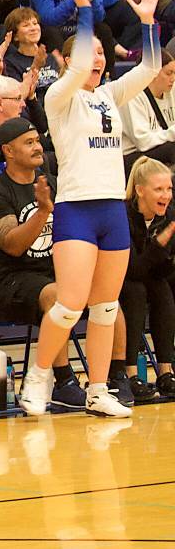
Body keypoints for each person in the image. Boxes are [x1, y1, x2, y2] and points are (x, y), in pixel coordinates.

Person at [18, 0, 161, 419]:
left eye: (102, 52)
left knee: (105, 306)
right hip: (76, 210)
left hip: (111, 210)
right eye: (90, 51)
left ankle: (98, 390)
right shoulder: (59, 96)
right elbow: (78, 67)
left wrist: (148, 24)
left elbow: (151, 69)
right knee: (69, 303)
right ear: (70, 59)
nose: (97, 59)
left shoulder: (108, 96)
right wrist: (83, 11)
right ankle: (38, 377)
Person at [0, 117, 87, 410]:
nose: (38, 147)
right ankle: (63, 381)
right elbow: (13, 244)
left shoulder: (55, 184)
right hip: (12, 279)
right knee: (58, 296)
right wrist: (42, 211)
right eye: (29, 142)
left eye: (38, 140)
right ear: (8, 151)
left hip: (52, 270)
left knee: (108, 294)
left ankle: (115, 378)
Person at [121, 157, 175, 399]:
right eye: (159, 189)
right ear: (140, 191)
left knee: (162, 289)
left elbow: (161, 270)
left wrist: (166, 252)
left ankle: (166, 371)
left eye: (169, 188)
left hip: (149, 274)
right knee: (135, 291)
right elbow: (132, 270)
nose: (166, 195)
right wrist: (160, 243)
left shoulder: (169, 215)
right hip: (119, 277)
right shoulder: (123, 214)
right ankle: (129, 373)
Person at [119, 49, 175, 171]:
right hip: (132, 156)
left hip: (161, 148)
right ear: (152, 73)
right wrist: (172, 133)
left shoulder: (171, 90)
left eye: (174, 73)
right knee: (172, 150)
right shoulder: (132, 95)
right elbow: (143, 142)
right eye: (168, 73)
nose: (173, 78)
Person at [4, 7, 62, 106]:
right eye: (26, 25)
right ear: (16, 36)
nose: (33, 28)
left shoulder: (51, 58)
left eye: (35, 23)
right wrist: (36, 66)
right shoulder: (10, 63)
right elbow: (20, 96)